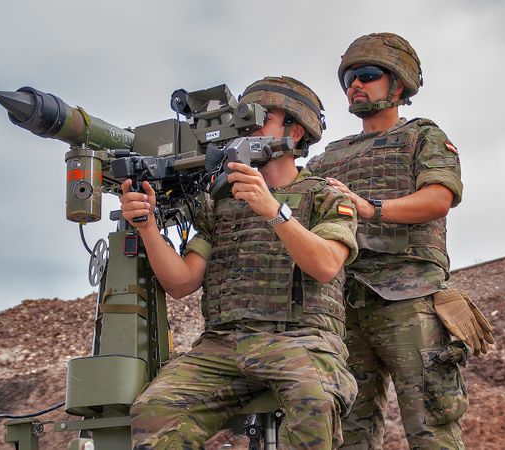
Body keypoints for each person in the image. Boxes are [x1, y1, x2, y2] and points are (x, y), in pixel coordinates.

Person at [124, 76, 359, 450]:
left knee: (314, 400)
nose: (242, 129)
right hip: (223, 346)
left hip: (300, 341)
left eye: (258, 118)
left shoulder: (325, 195)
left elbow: (327, 265)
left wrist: (273, 211)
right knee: (155, 410)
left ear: (294, 132)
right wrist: (147, 226)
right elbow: (182, 282)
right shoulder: (220, 204)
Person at [305, 33, 490, 449]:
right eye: (349, 78)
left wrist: (371, 208)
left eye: (367, 75)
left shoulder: (422, 136)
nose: (355, 84)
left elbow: (438, 198)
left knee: (432, 427)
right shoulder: (326, 158)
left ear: (399, 84)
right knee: (347, 431)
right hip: (342, 303)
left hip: (408, 298)